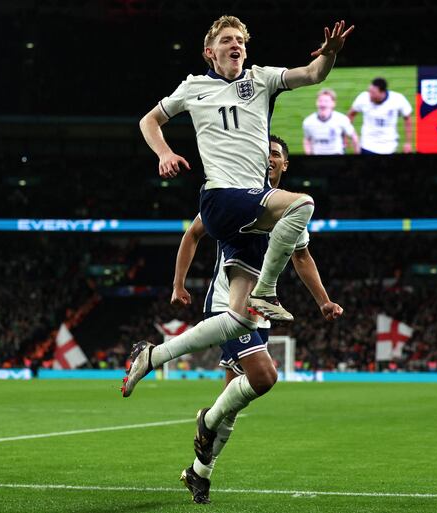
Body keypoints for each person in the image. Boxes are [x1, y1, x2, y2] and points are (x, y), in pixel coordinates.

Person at [124, 12, 352, 453]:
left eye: (241, 42)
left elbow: (312, 73)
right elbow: (148, 121)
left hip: (249, 212)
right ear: (210, 51)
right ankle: (267, 291)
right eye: (227, 41)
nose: (236, 47)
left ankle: (153, 356)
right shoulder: (193, 86)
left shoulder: (261, 80)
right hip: (224, 198)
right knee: (302, 203)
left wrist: (331, 55)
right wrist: (165, 153)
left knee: (238, 317)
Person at [172, 135, 343, 503]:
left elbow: (302, 258)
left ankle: (199, 474)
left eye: (276, 155)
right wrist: (179, 284)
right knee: (263, 377)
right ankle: (204, 418)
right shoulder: (237, 198)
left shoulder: (291, 208)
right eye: (264, 153)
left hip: (259, 312)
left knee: (233, 402)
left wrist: (324, 301)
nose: (269, 159)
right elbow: (193, 234)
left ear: (285, 165)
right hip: (228, 305)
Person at [348, 77, 413, 154]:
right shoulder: (363, 98)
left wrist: (408, 143)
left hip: (389, 147)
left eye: (373, 93)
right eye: (369, 91)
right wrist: (346, 135)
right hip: (367, 146)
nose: (370, 95)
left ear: (382, 92)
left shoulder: (397, 99)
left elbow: (408, 118)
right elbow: (351, 115)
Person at [302, 88, 359, 155]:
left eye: (326, 101)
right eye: (320, 101)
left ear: (333, 103)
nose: (323, 104)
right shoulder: (308, 122)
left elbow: (354, 137)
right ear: (316, 102)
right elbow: (307, 140)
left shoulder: (341, 119)